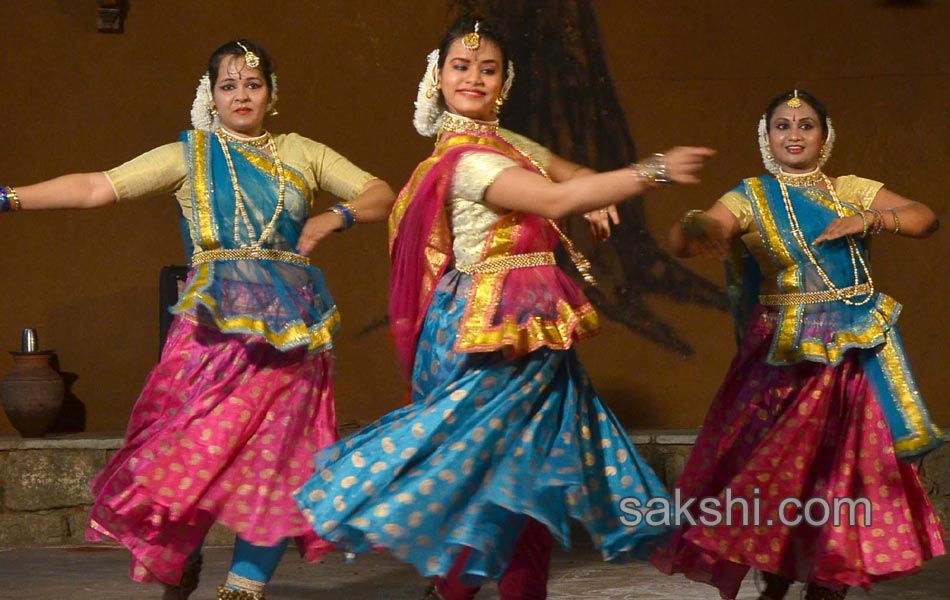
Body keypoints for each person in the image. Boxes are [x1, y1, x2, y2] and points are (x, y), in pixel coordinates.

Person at [292, 17, 714, 600]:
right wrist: (650, 171)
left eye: (488, 69)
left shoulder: (508, 147)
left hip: (534, 331)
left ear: (504, 82)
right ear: (436, 78)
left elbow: (569, 175)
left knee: (530, 481)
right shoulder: (470, 161)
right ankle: (451, 586)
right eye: (461, 67)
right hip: (490, 334)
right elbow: (556, 196)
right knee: (488, 475)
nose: (474, 77)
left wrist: (598, 191)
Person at [0, 39, 395, 600]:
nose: (241, 95)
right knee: (188, 457)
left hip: (292, 341)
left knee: (276, 463)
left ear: (272, 94)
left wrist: (337, 217)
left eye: (252, 84)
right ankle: (177, 556)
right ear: (210, 96)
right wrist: (7, 197)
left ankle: (244, 587)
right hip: (211, 341)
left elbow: (381, 193)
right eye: (228, 85)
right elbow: (96, 187)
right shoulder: (191, 155)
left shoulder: (300, 151)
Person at [652, 89, 945, 600]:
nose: (794, 134)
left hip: (854, 347)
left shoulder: (850, 189)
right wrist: (694, 226)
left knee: (844, 468)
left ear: (825, 136)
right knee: (777, 470)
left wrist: (872, 218)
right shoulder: (750, 196)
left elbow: (924, 219)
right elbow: (689, 238)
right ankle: (778, 577)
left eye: (806, 125)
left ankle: (828, 581)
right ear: (766, 139)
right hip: (785, 354)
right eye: (782, 126)